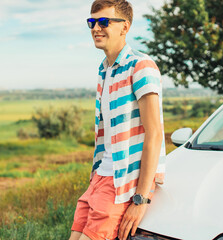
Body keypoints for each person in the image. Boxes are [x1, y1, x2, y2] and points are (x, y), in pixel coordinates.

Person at [69, 0, 166, 239]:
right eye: (92, 22)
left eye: (104, 22)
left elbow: (154, 134)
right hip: (99, 177)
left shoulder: (141, 66)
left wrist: (141, 199)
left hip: (120, 183)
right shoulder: (104, 69)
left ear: (125, 27)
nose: (96, 28)